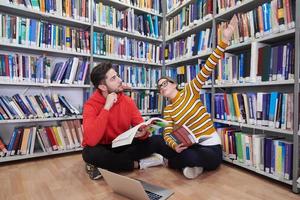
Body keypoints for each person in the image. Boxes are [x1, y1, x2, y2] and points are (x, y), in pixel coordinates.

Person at [154, 15, 238, 179]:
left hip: (209, 147)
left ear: (173, 84)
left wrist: (224, 41)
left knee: (193, 158)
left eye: (164, 83)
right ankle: (187, 163)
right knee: (159, 141)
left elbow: (208, 67)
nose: (162, 87)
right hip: (189, 146)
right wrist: (174, 145)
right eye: (159, 87)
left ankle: (181, 163)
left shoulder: (189, 90)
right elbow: (168, 133)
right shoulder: (169, 109)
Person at [82, 62, 163, 180]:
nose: (120, 80)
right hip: (102, 147)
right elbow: (91, 140)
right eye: (114, 78)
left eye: (118, 76)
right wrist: (106, 107)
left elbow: (141, 126)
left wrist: (142, 133)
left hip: (121, 144)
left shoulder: (127, 101)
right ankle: (137, 164)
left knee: (157, 140)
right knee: (89, 153)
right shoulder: (90, 105)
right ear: (103, 87)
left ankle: (105, 166)